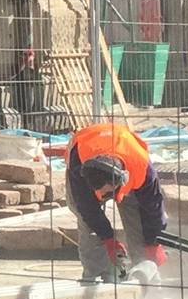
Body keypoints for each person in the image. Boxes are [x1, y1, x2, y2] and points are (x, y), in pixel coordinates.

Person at [65, 119, 169, 287]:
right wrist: (107, 238)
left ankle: (145, 276)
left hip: (128, 160)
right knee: (87, 224)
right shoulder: (80, 167)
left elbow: (154, 207)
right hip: (86, 149)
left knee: (140, 223)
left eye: (107, 192)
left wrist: (153, 242)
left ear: (121, 180)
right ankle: (96, 278)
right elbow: (87, 209)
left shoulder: (141, 168)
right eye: (100, 192)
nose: (104, 196)